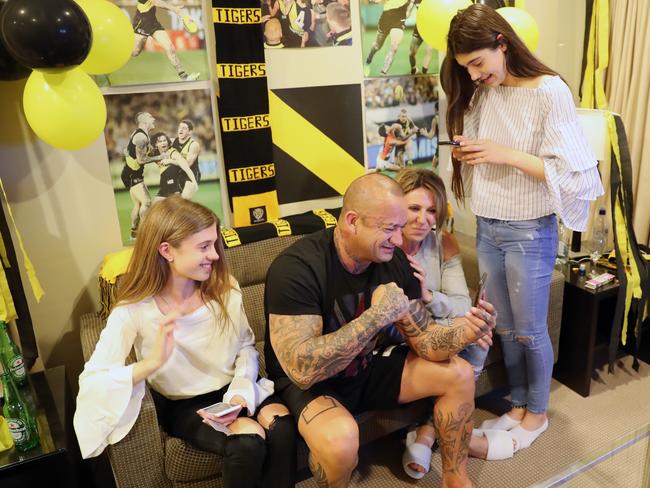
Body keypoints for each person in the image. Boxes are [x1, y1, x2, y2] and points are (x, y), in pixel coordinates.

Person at [440, 3, 604, 458]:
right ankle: (517, 401)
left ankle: (538, 411)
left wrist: (499, 152)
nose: (473, 75)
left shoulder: (548, 90)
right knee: (505, 327)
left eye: (478, 63)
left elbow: (576, 174)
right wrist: (470, 152)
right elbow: (489, 148)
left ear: (502, 43)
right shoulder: (483, 92)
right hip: (488, 224)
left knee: (531, 330)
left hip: (529, 229)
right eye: (465, 68)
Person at [264, 173, 497, 487]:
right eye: (389, 229)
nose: (399, 240)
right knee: (341, 439)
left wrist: (468, 330)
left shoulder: (392, 259)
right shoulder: (297, 269)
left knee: (460, 373)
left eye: (400, 228)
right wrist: (374, 317)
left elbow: (425, 340)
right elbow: (302, 370)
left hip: (366, 366)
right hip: (312, 384)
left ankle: (456, 481)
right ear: (352, 221)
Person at [74, 196, 297, 488]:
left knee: (282, 429)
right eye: (203, 247)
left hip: (237, 386)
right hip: (186, 404)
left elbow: (245, 346)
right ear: (167, 251)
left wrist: (241, 391)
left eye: (214, 244)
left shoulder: (223, 287)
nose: (215, 255)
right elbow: (93, 378)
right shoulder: (134, 309)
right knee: (247, 443)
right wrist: (152, 362)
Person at [394, 167, 490, 478]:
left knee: (479, 332)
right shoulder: (385, 245)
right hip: (398, 334)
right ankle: (437, 433)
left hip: (435, 323)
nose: (424, 219)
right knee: (468, 334)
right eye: (414, 208)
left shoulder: (443, 242)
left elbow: (461, 302)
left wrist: (428, 295)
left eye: (432, 210)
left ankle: (428, 431)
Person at [131, 0, 200, 81]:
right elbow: (157, 2)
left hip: (153, 23)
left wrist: (176, 10)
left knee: (170, 47)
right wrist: (174, 9)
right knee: (135, 52)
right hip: (142, 22)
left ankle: (184, 76)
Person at [122, 111, 158, 239]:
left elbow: (126, 150)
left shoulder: (140, 135)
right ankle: (146, 232)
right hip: (132, 174)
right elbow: (141, 160)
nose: (153, 118)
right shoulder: (141, 137)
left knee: (138, 204)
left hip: (130, 173)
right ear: (143, 122)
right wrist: (160, 157)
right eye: (150, 117)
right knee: (147, 202)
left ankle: (134, 233)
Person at [363, 0, 414, 76]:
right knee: (377, 46)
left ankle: (383, 74)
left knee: (394, 47)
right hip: (386, 18)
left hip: (399, 19)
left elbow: (411, 4)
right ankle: (368, 61)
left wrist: (407, 13)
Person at [151, 132, 197, 201]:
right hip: (164, 186)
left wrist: (195, 183)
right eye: (160, 141)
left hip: (174, 186)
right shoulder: (155, 154)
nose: (163, 143)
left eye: (164, 140)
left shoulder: (173, 153)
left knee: (178, 208)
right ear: (156, 144)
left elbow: (186, 168)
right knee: (154, 209)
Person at [171, 120, 201, 199]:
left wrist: (170, 161)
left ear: (190, 132)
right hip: (178, 175)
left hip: (191, 174)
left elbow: (187, 165)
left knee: (185, 199)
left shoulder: (194, 145)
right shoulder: (172, 141)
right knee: (177, 202)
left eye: (184, 128)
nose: (180, 130)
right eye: (180, 127)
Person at [408, 0, 434, 75]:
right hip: (419, 27)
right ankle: (414, 69)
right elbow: (408, 10)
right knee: (411, 53)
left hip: (431, 27)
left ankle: (424, 74)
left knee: (428, 51)